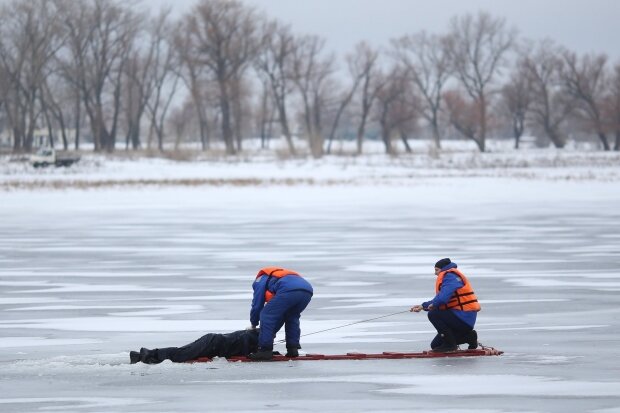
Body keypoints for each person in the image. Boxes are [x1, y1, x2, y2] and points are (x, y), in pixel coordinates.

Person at [410, 258, 481, 352]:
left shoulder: (450, 276)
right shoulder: (449, 276)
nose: (435, 273)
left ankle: (450, 346)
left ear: (443, 269)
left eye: (436, 270)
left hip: (463, 318)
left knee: (433, 314)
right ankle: (469, 337)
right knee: (435, 345)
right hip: (458, 318)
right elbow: (439, 299)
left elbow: (443, 298)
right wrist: (423, 306)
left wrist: (433, 305)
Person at [247, 266, 313, 361]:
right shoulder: (279, 276)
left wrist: (254, 323)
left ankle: (265, 351)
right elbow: (279, 314)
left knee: (266, 315)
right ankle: (292, 349)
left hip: (288, 289)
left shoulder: (259, 280)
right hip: (307, 290)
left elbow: (257, 305)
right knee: (292, 317)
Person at [129, 328, 260, 364]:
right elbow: (247, 351)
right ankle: (149, 354)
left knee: (181, 352)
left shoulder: (250, 335)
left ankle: (141, 355)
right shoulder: (251, 338)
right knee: (180, 355)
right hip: (212, 344)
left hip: (212, 341)